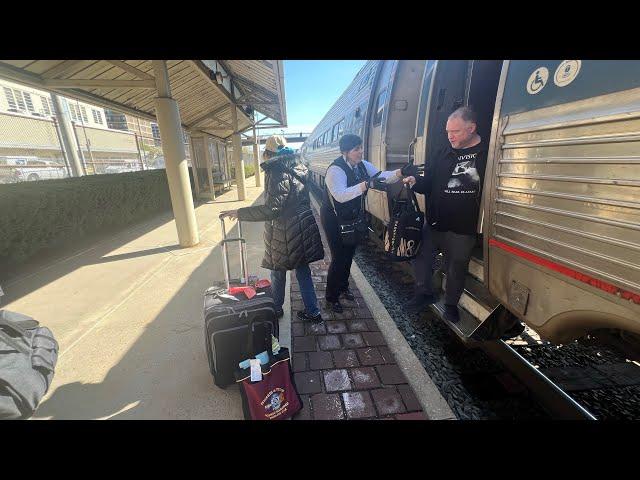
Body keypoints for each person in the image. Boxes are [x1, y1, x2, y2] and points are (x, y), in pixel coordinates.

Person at [220, 135, 325, 322]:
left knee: (277, 271)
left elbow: (272, 209)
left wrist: (240, 213)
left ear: (268, 153)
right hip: (302, 225)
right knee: (302, 271)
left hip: (284, 231)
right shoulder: (298, 165)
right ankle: (313, 312)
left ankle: (276, 308)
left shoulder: (276, 169)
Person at [403, 106, 487, 322]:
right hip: (435, 222)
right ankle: (424, 293)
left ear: (471, 128)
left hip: (463, 227)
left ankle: (451, 305)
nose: (450, 136)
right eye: (448, 131)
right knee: (420, 257)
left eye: (455, 132)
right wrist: (416, 183)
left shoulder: (486, 154)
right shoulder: (442, 152)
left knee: (456, 267)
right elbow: (428, 183)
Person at [320, 133, 406, 313]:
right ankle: (331, 297)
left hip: (352, 216)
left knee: (349, 253)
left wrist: (401, 172)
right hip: (334, 218)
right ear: (345, 151)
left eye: (360, 148)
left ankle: (343, 287)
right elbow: (340, 195)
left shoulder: (362, 165)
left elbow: (382, 177)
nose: (361, 151)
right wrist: (366, 185)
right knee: (339, 257)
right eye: (356, 149)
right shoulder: (335, 170)